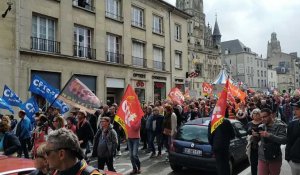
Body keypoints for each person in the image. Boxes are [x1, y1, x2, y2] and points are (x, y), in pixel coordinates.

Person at [258, 108, 287, 175]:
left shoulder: (280, 126)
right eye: (261, 117)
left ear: (270, 115)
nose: (262, 119)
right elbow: (258, 142)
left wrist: (269, 135)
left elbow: (284, 140)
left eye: (264, 116)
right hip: (262, 157)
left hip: (274, 158)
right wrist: (254, 136)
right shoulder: (261, 126)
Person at [246, 108, 262, 175]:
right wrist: (251, 134)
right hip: (253, 146)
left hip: (261, 146)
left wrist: (258, 134)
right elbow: (247, 132)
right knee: (253, 164)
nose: (255, 115)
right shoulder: (249, 123)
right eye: (254, 114)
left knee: (261, 164)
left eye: (257, 114)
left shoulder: (262, 122)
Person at [285, 101, 300, 175]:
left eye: (297, 109)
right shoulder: (292, 124)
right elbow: (288, 142)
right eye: (295, 109)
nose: (295, 111)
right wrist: (288, 159)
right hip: (295, 162)